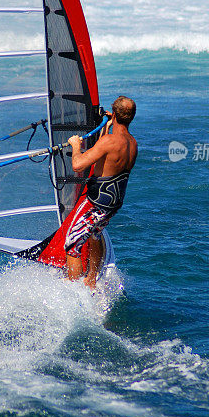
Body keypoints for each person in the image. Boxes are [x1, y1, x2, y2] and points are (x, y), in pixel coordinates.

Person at [64, 96, 138, 289]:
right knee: (95, 233)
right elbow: (109, 159)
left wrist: (75, 145)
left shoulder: (109, 141)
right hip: (113, 203)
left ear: (114, 114)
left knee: (72, 245)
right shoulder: (132, 143)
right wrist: (109, 124)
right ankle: (91, 279)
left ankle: (73, 292)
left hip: (96, 202)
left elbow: (78, 164)